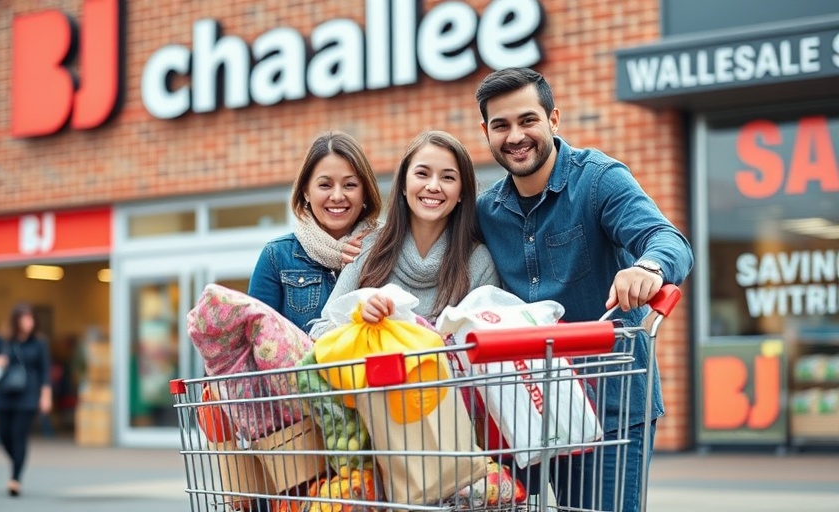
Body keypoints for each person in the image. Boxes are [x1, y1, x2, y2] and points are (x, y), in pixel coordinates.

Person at [473, 68, 694, 512]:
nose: (515, 136)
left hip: (609, 404)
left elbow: (668, 241)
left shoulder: (598, 179)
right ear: (486, 132)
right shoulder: (486, 211)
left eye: (527, 120)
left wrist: (648, 267)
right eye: (501, 125)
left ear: (553, 119)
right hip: (526, 409)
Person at [310, 129, 499, 337]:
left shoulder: (479, 262)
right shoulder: (368, 248)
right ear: (403, 185)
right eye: (422, 174)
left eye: (448, 177)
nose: (433, 186)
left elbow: (489, 346)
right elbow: (319, 332)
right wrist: (357, 318)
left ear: (462, 192)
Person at [248, 131, 383, 331]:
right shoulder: (277, 256)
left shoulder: (386, 248)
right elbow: (255, 338)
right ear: (306, 192)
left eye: (350, 185)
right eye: (325, 185)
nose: (337, 196)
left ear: (365, 193)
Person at [0, 303, 52, 497]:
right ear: (16, 320)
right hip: (5, 395)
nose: (28, 323)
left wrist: (45, 396)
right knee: (4, 436)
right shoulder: (2, 340)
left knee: (19, 436)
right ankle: (17, 462)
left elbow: (44, 370)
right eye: (25, 319)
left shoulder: (39, 342)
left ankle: (15, 478)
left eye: (31, 319)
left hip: (28, 396)